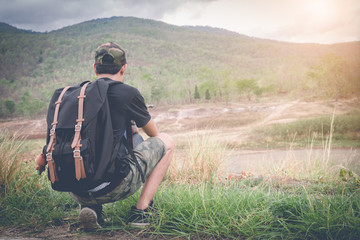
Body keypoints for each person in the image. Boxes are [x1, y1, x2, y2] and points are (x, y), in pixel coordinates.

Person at [37, 42, 174, 230]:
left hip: (74, 186)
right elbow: (154, 135)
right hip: (114, 187)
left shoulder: (77, 97)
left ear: (95, 68)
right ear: (124, 68)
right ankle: (142, 212)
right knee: (167, 141)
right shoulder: (128, 93)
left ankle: (92, 209)